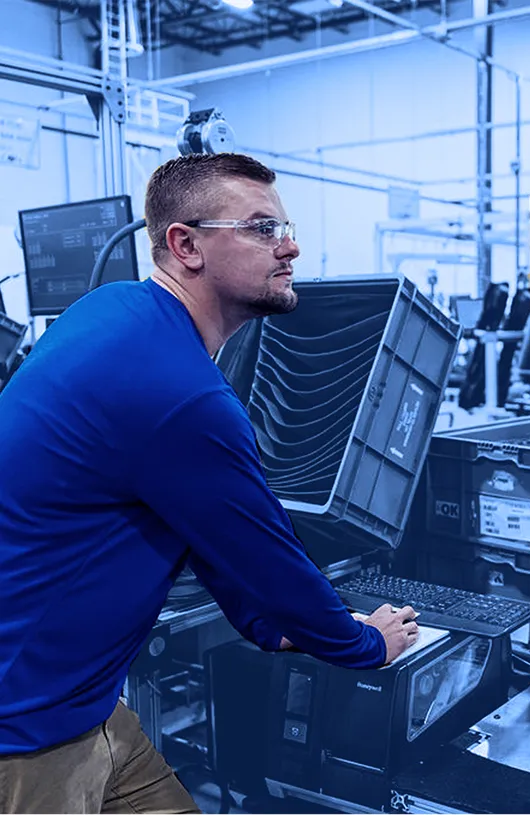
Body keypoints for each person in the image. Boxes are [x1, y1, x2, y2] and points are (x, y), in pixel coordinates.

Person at [0, 153, 419, 814]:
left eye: (284, 227)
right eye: (261, 228)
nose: (290, 246)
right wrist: (364, 643)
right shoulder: (182, 394)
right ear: (185, 245)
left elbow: (203, 523)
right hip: (27, 731)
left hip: (85, 700)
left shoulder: (114, 309)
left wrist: (269, 624)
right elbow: (269, 556)